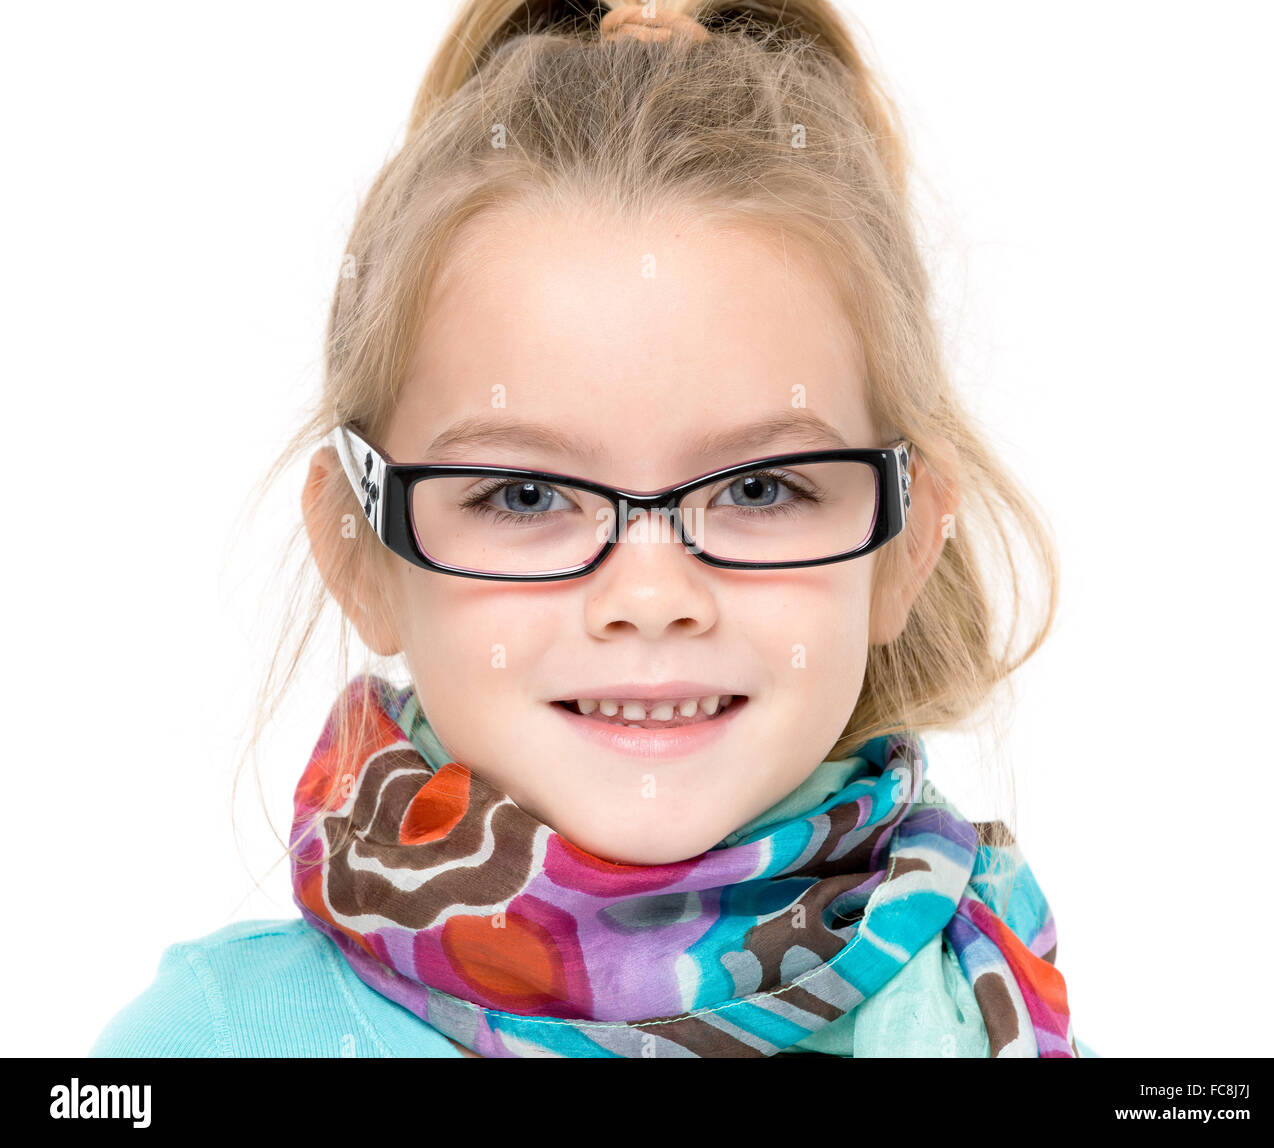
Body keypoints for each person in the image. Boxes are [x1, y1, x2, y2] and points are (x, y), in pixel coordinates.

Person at [90, 0, 1095, 1058]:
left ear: (904, 544)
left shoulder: (992, 991)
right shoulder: (204, 1044)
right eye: (523, 495)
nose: (651, 596)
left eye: (760, 489)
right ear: (359, 548)